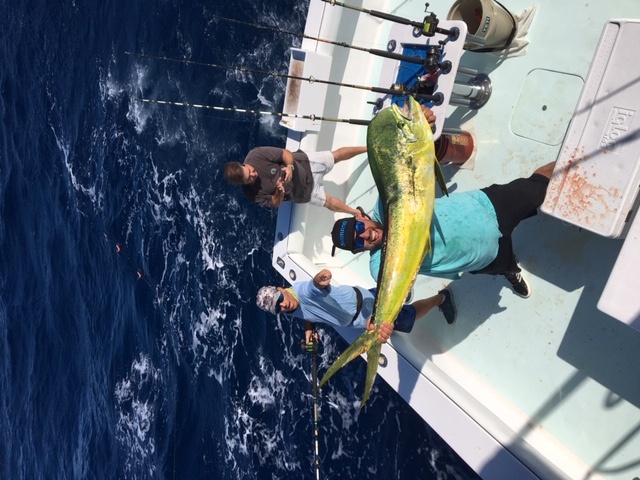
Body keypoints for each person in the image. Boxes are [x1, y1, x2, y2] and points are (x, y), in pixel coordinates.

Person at [331, 162, 556, 298]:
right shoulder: (379, 264)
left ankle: (577, 159)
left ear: (360, 217)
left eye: (359, 227)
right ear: (359, 251)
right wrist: (386, 319)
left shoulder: (386, 204)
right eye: (357, 242)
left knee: (538, 185)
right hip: (483, 258)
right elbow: (402, 295)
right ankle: (509, 270)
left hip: (486, 207)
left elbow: (404, 171)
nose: (364, 235)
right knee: (503, 265)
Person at [256, 268, 456, 344]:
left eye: (280, 300)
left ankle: (441, 298)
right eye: (278, 309)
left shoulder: (303, 290)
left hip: (367, 310)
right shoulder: (289, 309)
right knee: (393, 293)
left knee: (408, 315)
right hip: (362, 301)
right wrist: (309, 330)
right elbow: (306, 312)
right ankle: (403, 294)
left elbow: (312, 288)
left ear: (281, 289)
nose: (284, 306)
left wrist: (319, 279)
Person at [223, 145, 367, 215]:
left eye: (251, 171)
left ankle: (367, 148)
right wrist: (279, 192)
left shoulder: (255, 155)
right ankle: (357, 213)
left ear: (243, 164)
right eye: (249, 179)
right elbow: (275, 203)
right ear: (243, 183)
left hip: (305, 164)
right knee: (327, 202)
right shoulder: (251, 194)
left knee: (334, 156)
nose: (254, 175)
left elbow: (284, 153)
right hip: (303, 193)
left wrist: (289, 166)